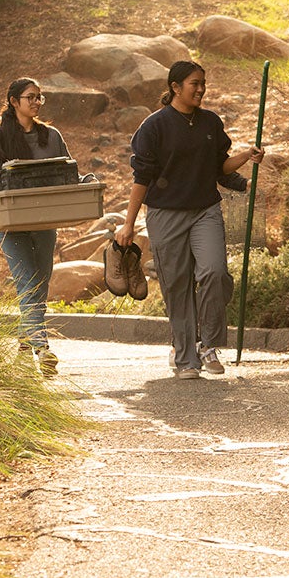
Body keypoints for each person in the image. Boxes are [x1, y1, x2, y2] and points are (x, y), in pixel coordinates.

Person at [114, 60, 265, 379]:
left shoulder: (210, 122)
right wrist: (129, 223)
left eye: (203, 83)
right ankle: (186, 358)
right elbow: (142, 177)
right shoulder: (154, 126)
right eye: (194, 83)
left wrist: (246, 159)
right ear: (175, 87)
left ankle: (208, 344)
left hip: (204, 210)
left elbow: (219, 166)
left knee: (214, 272)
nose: (200, 89)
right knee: (178, 284)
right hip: (165, 214)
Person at [0, 77, 71, 376]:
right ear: (14, 101)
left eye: (40, 98)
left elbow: (67, 170)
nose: (37, 103)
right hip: (11, 223)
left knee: (39, 285)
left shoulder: (51, 136)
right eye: (31, 97)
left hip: (45, 222)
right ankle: (42, 348)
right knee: (27, 282)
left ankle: (24, 348)